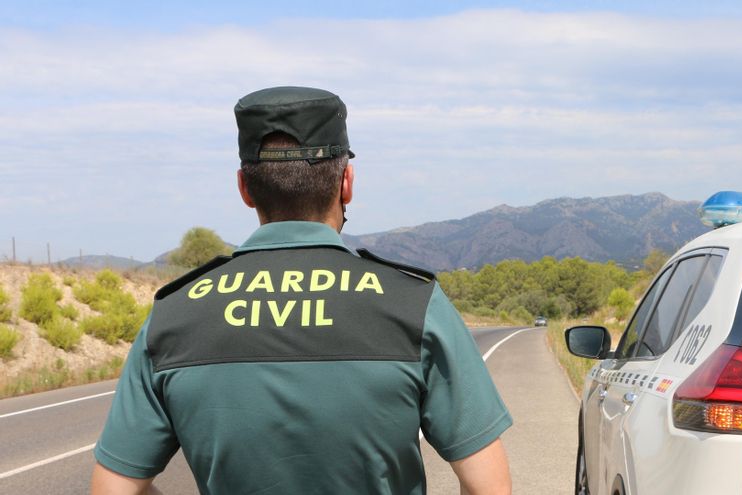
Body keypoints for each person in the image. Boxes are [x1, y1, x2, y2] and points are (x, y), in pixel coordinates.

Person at [91, 86, 513, 494]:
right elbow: (487, 486)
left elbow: (114, 488)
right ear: (346, 183)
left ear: (244, 187)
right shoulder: (413, 303)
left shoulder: (175, 314)